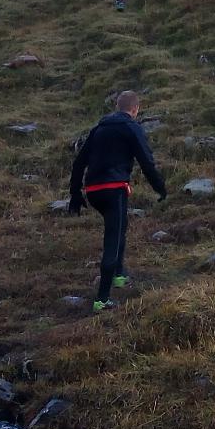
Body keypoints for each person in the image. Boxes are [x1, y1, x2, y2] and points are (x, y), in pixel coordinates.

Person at [67, 90, 168, 312]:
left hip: (93, 191)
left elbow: (78, 163)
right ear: (136, 109)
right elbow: (147, 162)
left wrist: (75, 194)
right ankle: (102, 299)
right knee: (113, 237)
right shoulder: (132, 128)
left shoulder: (99, 129)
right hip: (114, 189)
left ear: (117, 107)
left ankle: (120, 275)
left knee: (120, 226)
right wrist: (161, 189)